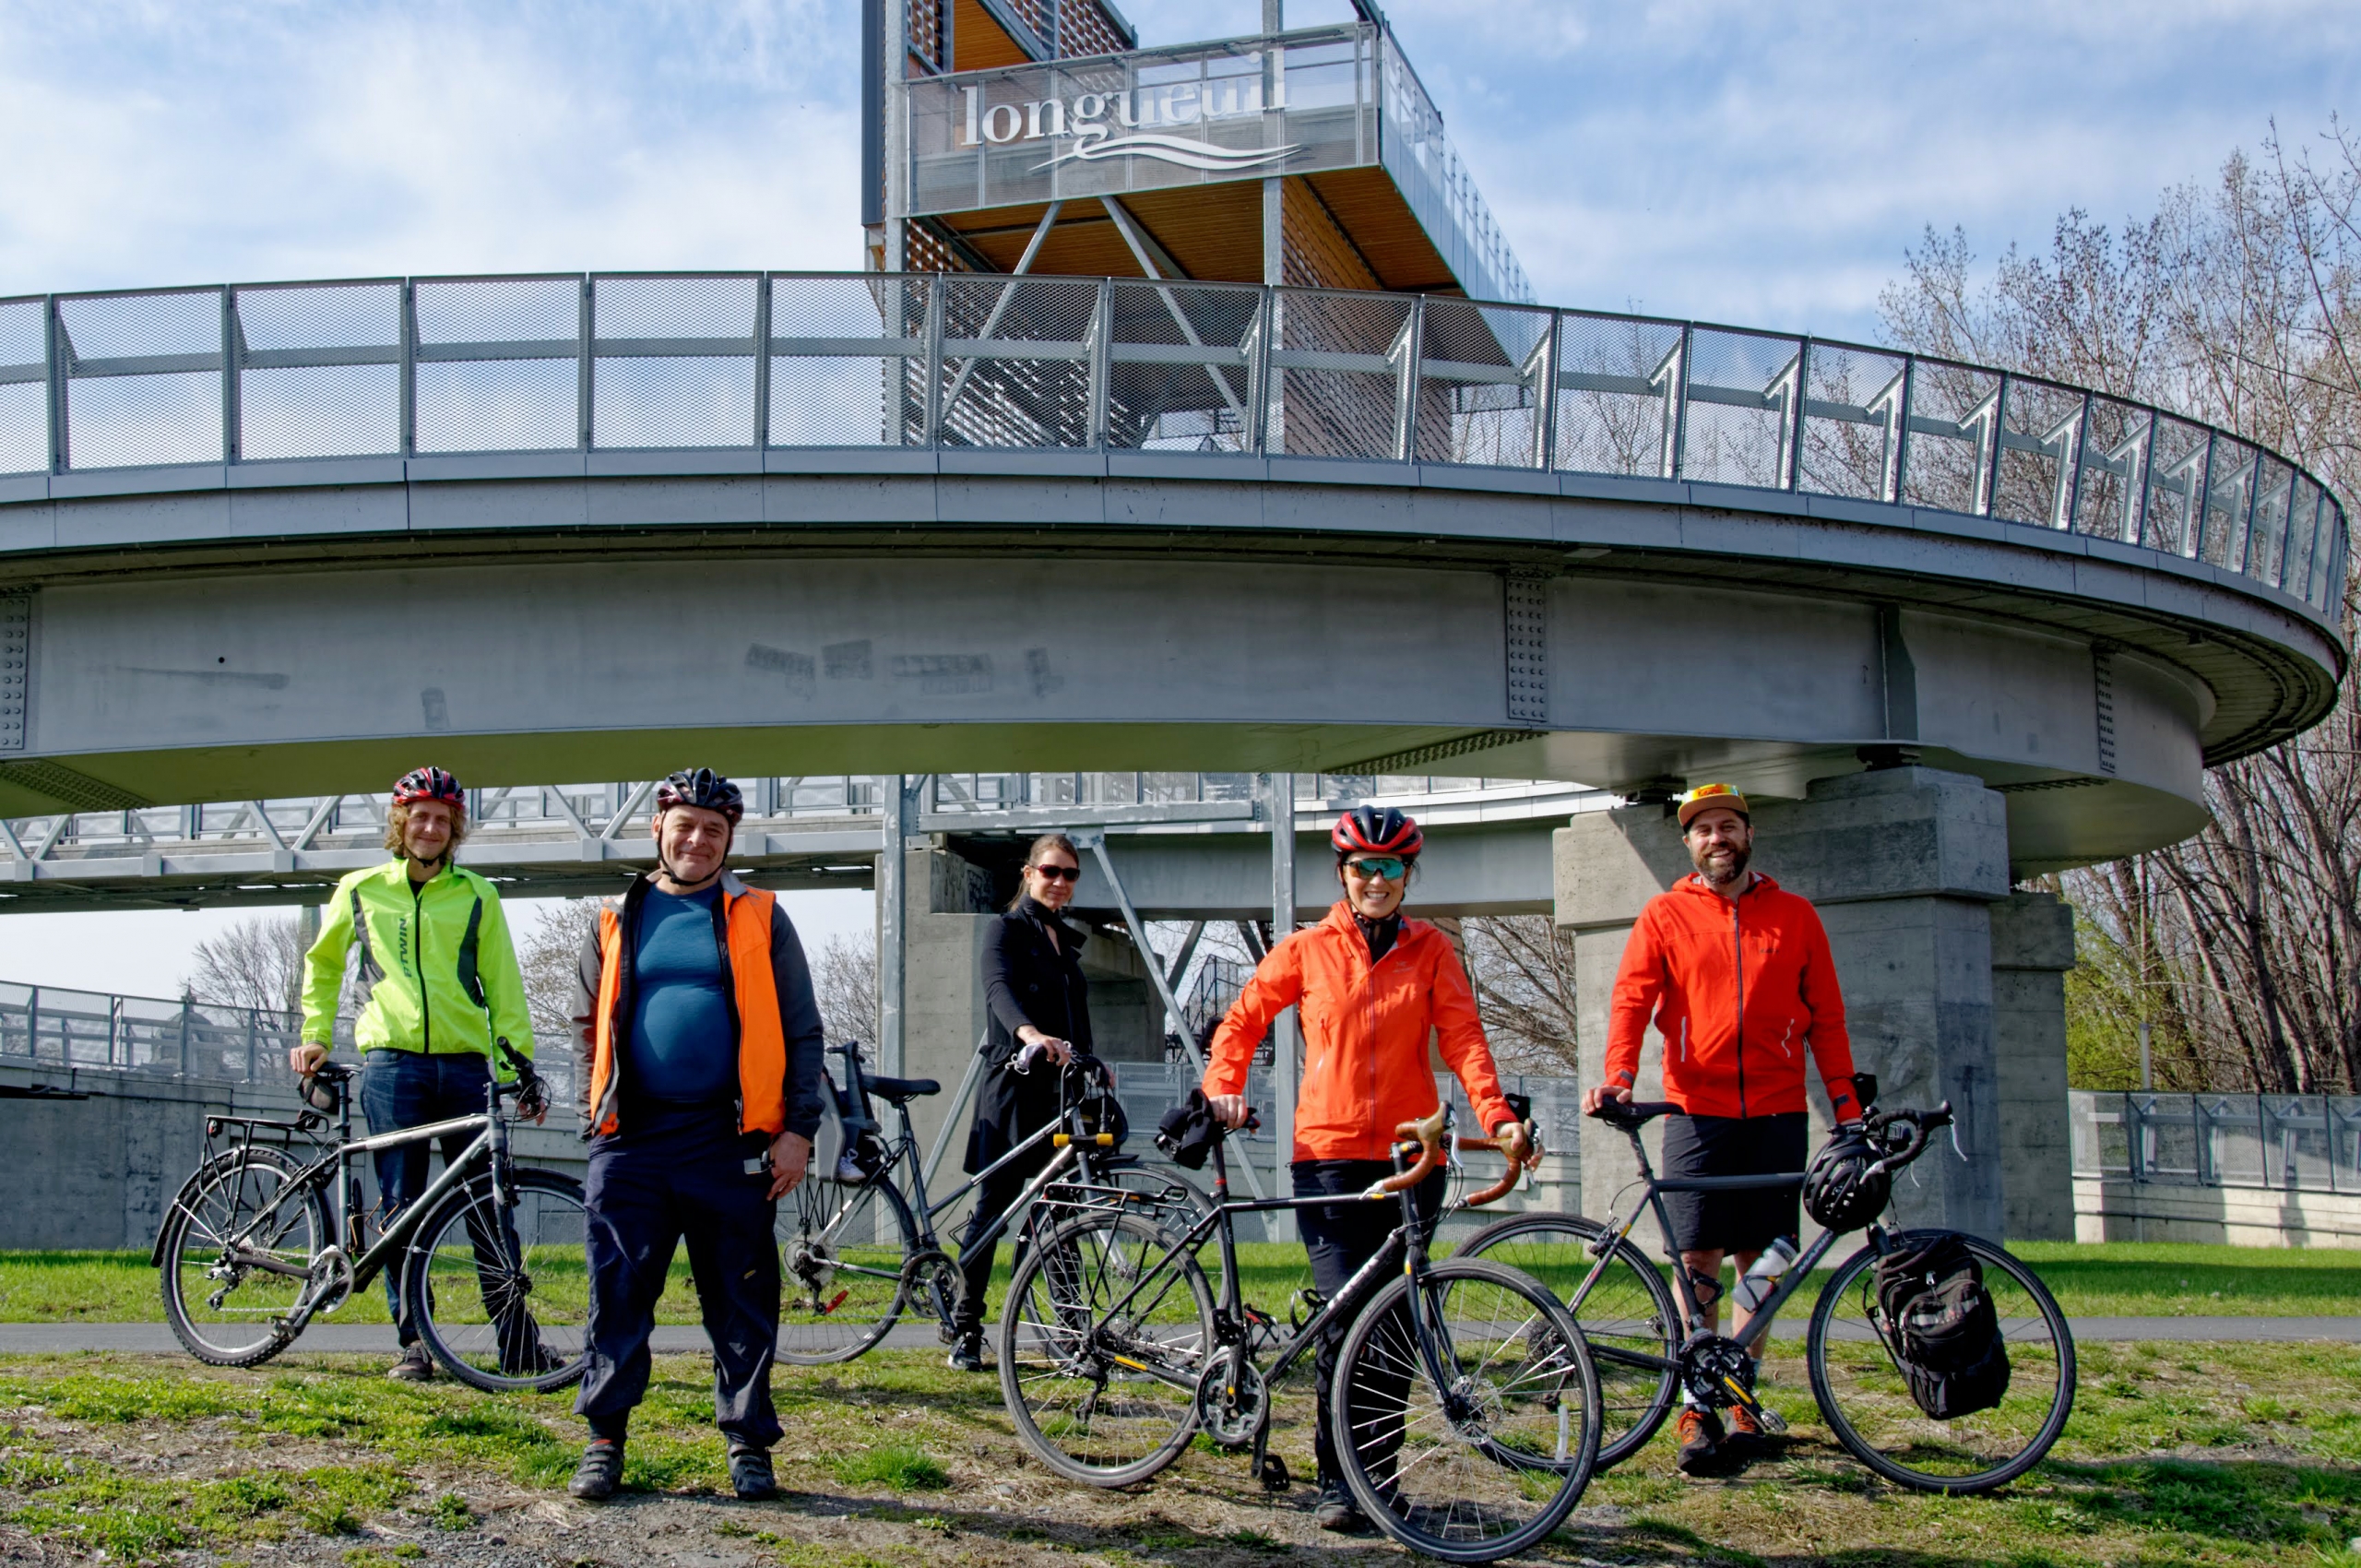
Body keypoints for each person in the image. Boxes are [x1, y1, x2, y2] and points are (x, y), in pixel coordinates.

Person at [1204, 805, 1532, 1533]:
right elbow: (1244, 1018)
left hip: (1413, 1156)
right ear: (1342, 873)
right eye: (1362, 867)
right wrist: (1224, 1084)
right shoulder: (1308, 948)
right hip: (1329, 1156)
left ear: (1407, 875)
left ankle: (1378, 1477)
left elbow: (1465, 1038)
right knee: (1344, 1320)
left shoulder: (1432, 950)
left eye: (1390, 867)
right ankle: (1337, 1482)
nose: (1375, 880)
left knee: (1397, 1324)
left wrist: (1497, 1114)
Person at [1582, 782, 1861, 1476]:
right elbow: (1631, 1001)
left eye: (1728, 825)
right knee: (1698, 1259)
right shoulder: (1665, 913)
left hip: (1777, 1111)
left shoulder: (1795, 916)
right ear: (1688, 843)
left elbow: (1827, 1020)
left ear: (1748, 835)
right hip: (1695, 1112)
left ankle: (1741, 1395)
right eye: (1704, 828)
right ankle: (1695, 1404)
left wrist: (1847, 1109)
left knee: (1764, 1259)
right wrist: (1619, 1076)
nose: (1718, 838)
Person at [566, 767, 827, 1503]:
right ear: (659, 828)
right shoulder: (616, 916)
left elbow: (803, 1030)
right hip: (633, 1139)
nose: (698, 840)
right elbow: (586, 1021)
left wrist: (798, 1130)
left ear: (729, 840)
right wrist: (595, 1108)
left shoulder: (763, 915)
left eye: (714, 830)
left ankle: (748, 1443)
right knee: (617, 1292)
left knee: (741, 1298)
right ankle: (604, 1440)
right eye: (685, 825)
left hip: (730, 1137)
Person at [293, 766, 541, 1383]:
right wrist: (315, 1033)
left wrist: (518, 1065)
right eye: (420, 817)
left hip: (465, 1066)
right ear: (402, 823)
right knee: (400, 1208)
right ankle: (414, 1345)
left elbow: (503, 985)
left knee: (489, 1206)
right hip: (393, 1065)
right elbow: (324, 964)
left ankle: (518, 1346)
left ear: (456, 829)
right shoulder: (360, 889)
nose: (431, 828)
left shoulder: (478, 896)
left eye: (443, 819)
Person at [946, 832, 1093, 1372]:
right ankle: (965, 1327)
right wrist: (1029, 1033)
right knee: (995, 1210)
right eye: (1050, 871)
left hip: (1059, 1094)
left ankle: (1072, 1331)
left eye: (1070, 874)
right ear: (1029, 873)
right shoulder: (1004, 930)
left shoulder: (1065, 943)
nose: (1060, 882)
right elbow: (998, 990)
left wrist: (1093, 1063)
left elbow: (1077, 1020)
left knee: (1063, 1211)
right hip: (1013, 1085)